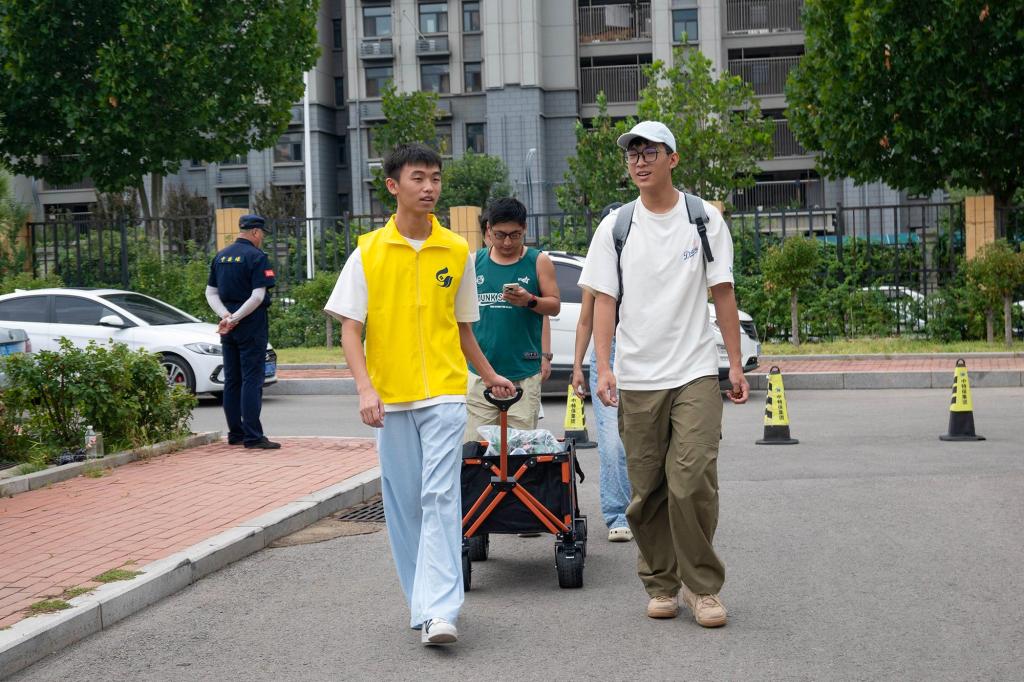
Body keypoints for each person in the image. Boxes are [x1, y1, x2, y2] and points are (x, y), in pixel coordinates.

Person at [324, 142, 515, 646]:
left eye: (435, 178)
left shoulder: (456, 250)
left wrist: (489, 375)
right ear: (393, 186)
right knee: (404, 504)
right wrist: (365, 388)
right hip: (390, 398)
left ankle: (442, 610)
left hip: (445, 393)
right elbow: (350, 329)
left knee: (440, 496)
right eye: (418, 178)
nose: (429, 187)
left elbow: (463, 328)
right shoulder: (368, 252)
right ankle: (421, 604)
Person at [579, 120, 750, 628]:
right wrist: (603, 367)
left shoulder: (703, 219)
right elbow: (604, 301)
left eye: (649, 152)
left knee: (692, 480)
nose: (639, 161)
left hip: (694, 370)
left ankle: (703, 588)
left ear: (672, 159)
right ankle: (661, 582)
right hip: (637, 376)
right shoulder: (616, 227)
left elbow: (723, 292)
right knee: (648, 489)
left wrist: (734, 364)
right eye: (632, 154)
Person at [464, 197, 560, 441]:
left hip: (523, 375)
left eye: (515, 235)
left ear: (525, 228)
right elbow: (462, 319)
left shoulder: (538, 261)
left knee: (519, 451)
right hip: (480, 375)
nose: (507, 242)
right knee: (475, 451)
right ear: (488, 230)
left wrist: (530, 300)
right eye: (500, 235)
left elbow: (554, 306)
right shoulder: (474, 262)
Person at [571, 203, 632, 543]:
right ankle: (617, 513)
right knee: (612, 442)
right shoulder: (600, 264)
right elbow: (586, 321)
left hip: (647, 354)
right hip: (607, 357)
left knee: (646, 439)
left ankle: (648, 508)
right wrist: (577, 366)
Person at [205, 214, 279, 450]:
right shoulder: (257, 257)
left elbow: (210, 293)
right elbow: (257, 296)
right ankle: (253, 436)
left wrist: (226, 317)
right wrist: (235, 318)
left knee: (232, 380)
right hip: (251, 325)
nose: (262, 238)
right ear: (255, 232)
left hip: (228, 328)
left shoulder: (221, 256)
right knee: (252, 380)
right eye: (262, 233)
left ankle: (235, 433)